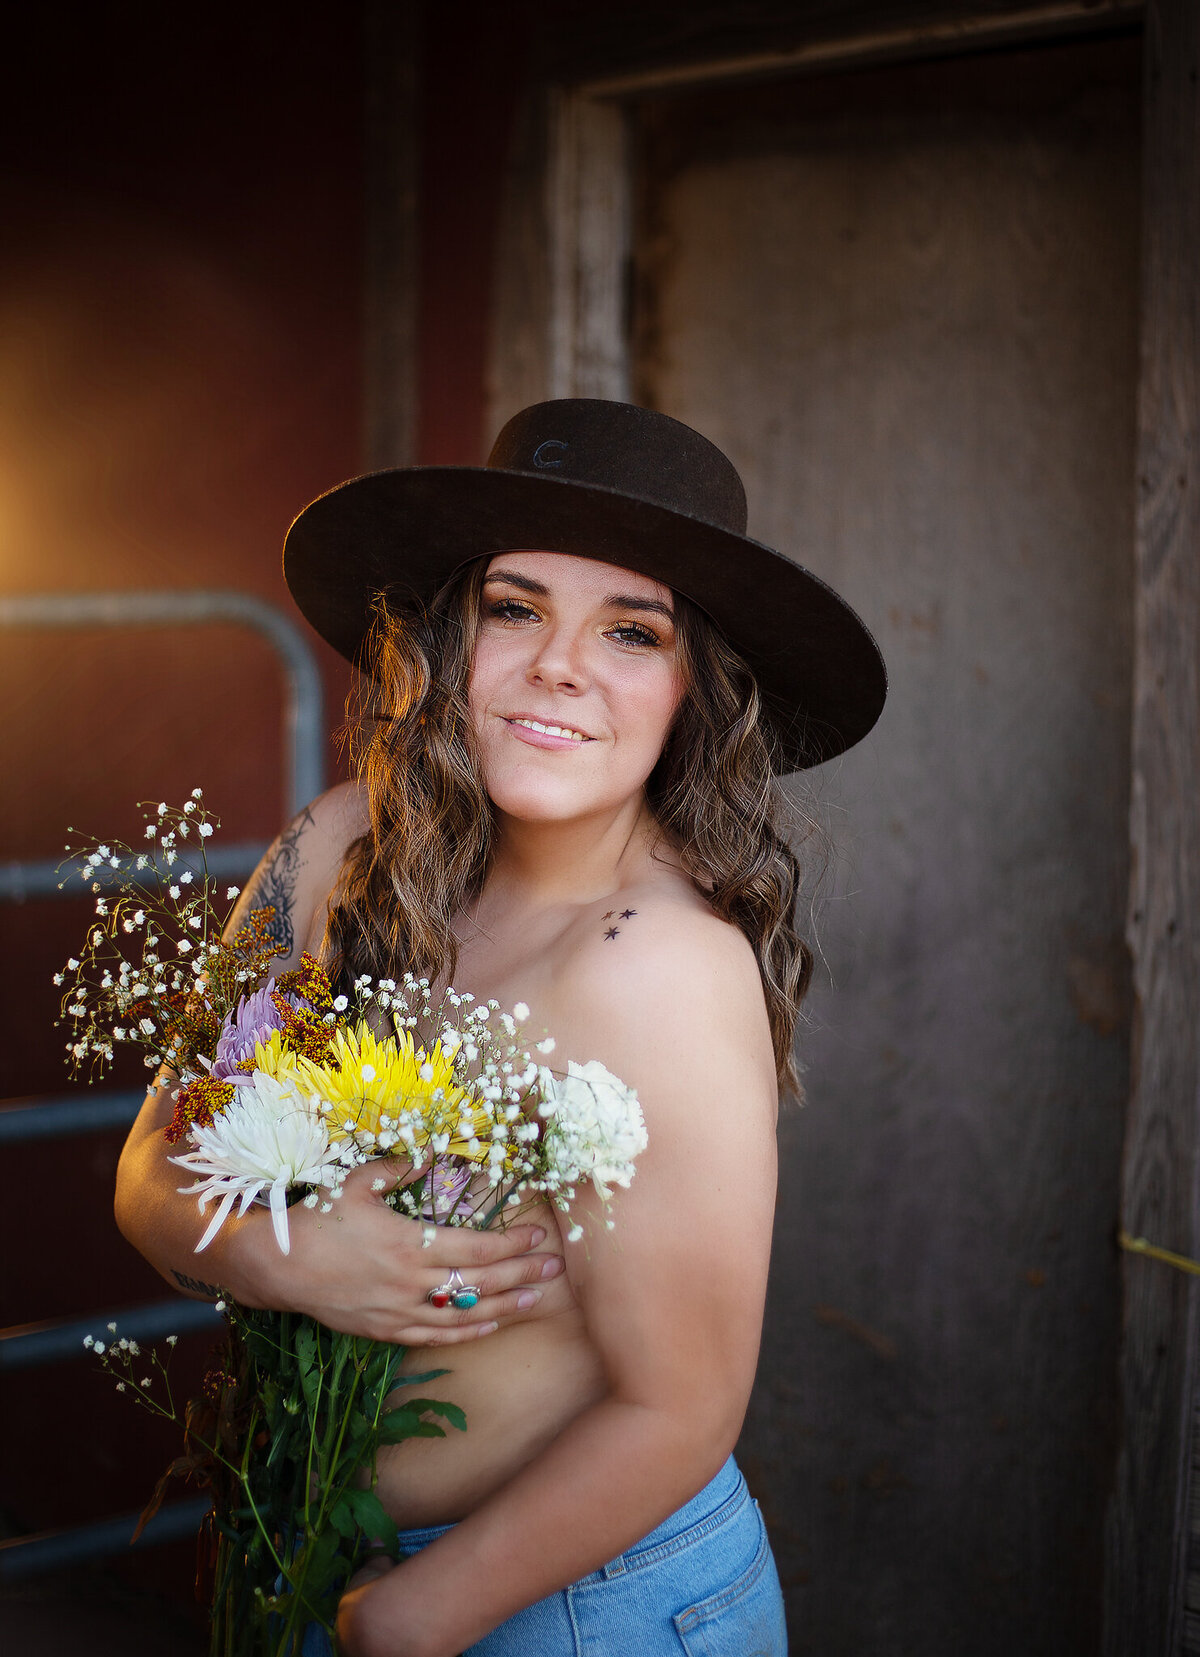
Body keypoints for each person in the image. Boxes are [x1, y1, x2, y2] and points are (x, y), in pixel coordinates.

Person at [115, 398, 886, 1657]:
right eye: (514, 608)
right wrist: (283, 1256)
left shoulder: (664, 968)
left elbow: (682, 1405)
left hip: (573, 1604)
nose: (560, 664)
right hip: (299, 1549)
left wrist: (422, 1614)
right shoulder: (327, 853)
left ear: (696, 691)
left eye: (631, 631)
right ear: (442, 632)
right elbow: (152, 1167)